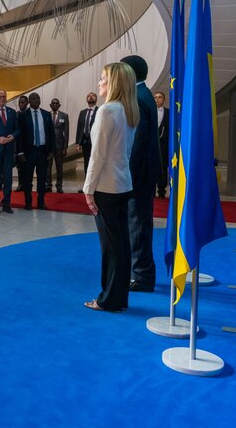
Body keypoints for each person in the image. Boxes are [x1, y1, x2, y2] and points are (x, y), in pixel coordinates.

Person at [83, 62, 139, 312]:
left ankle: (109, 299)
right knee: (121, 244)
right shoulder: (129, 111)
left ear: (115, 82)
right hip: (122, 183)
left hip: (106, 187)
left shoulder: (108, 111)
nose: (99, 83)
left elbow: (98, 155)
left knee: (111, 246)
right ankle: (116, 297)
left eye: (103, 78)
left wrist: (88, 188)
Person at [121, 54, 160, 292]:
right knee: (140, 222)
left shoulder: (138, 97)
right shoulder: (145, 94)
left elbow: (137, 144)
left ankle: (142, 276)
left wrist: (128, 176)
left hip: (139, 175)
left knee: (137, 224)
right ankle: (142, 272)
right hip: (145, 173)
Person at [17, 92, 54, 210]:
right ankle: (28, 202)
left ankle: (41, 201)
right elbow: (20, 136)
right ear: (29, 101)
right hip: (29, 152)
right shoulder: (23, 115)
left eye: (38, 98)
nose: (36, 100)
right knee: (27, 178)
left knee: (42, 178)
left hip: (42, 151)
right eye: (33, 98)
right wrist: (20, 152)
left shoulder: (46, 114)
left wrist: (51, 150)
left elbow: (51, 133)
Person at [75, 92, 98, 193]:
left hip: (96, 142)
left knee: (95, 164)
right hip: (85, 142)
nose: (90, 97)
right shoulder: (82, 112)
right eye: (88, 96)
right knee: (87, 163)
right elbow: (79, 128)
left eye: (92, 96)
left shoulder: (99, 111)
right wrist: (77, 143)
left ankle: (96, 186)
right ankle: (86, 186)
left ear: (96, 99)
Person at [47, 98, 70, 193]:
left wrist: (65, 147)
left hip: (60, 146)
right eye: (53, 103)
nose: (55, 105)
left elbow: (66, 132)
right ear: (50, 105)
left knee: (59, 167)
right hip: (49, 147)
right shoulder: (46, 115)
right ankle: (48, 185)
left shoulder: (64, 116)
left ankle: (59, 186)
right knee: (48, 166)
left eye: (57, 103)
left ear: (59, 105)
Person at [155, 91, 169, 198]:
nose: (157, 99)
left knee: (163, 167)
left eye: (160, 97)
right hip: (151, 145)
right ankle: (151, 190)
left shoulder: (169, 113)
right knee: (151, 167)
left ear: (164, 100)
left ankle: (162, 190)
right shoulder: (149, 112)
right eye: (155, 97)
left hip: (164, 145)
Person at [15, 95, 29, 192]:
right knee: (19, 166)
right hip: (18, 144)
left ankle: (28, 184)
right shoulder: (16, 114)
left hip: (28, 145)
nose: (21, 104)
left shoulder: (30, 114)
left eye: (23, 102)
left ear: (27, 103)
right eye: (20, 102)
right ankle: (20, 184)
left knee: (28, 167)